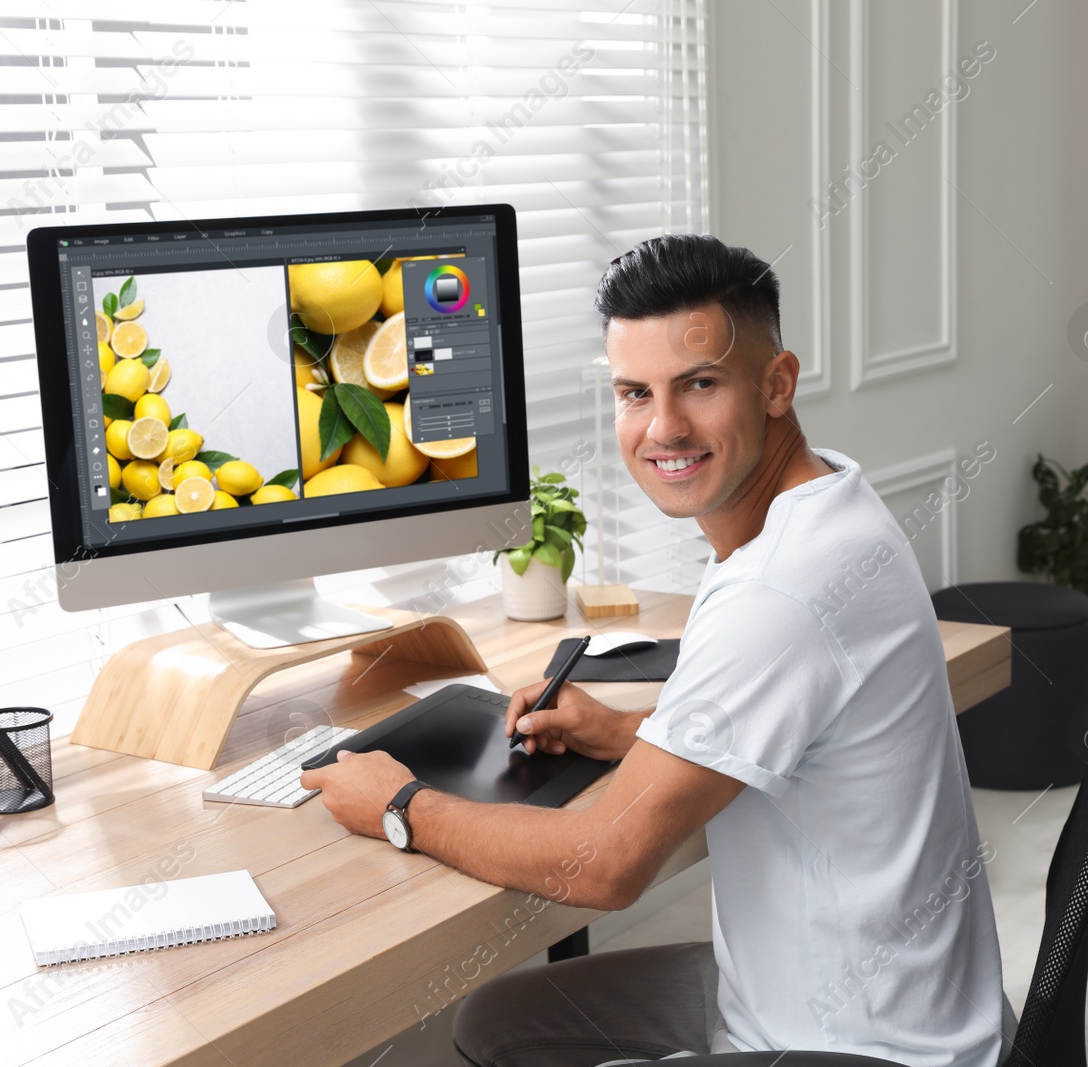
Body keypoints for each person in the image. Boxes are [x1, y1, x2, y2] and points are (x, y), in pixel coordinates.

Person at [299, 234, 1011, 1066]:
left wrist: (401, 805)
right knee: (500, 1022)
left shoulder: (779, 591)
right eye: (635, 392)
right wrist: (619, 734)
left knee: (492, 1032)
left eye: (699, 385)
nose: (663, 427)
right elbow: (791, 737)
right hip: (867, 1005)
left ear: (776, 383)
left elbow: (607, 866)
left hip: (862, 1048)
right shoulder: (824, 503)